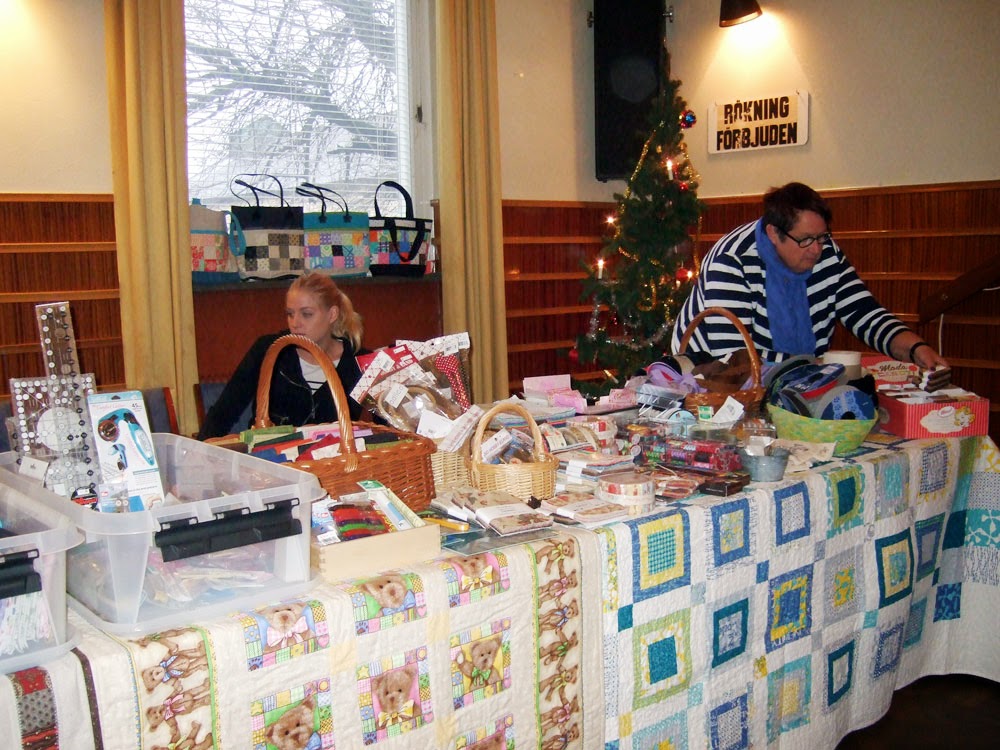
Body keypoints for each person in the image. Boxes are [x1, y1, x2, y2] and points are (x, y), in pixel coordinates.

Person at [669, 182, 949, 370]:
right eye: (805, 240)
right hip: (711, 379)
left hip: (795, 373)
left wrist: (915, 348)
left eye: (822, 237)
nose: (816, 249)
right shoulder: (732, 260)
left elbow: (863, 312)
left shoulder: (826, 252)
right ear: (773, 233)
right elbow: (734, 357)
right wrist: (814, 367)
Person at [197, 273, 366, 440]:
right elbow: (223, 413)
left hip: (337, 457)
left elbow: (382, 425)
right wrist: (198, 452)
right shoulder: (268, 350)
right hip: (269, 455)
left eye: (307, 314)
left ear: (332, 314)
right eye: (290, 314)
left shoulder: (362, 363)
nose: (295, 323)